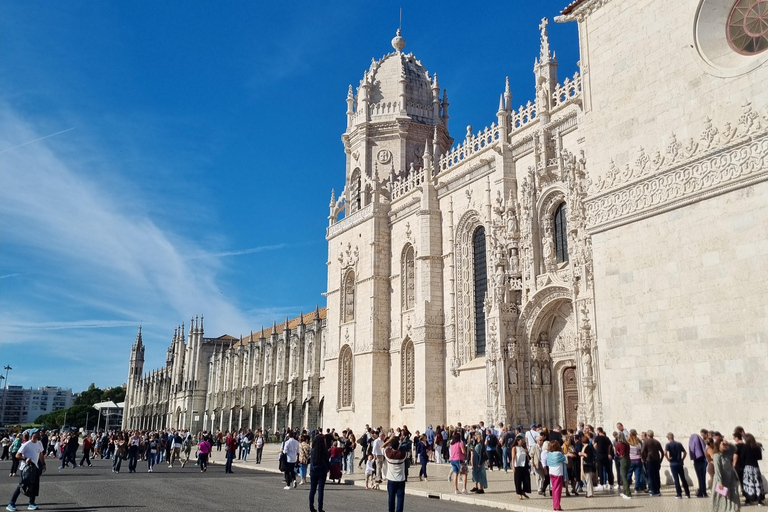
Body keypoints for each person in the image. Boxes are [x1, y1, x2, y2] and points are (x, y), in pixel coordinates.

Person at [6, 429, 45, 511]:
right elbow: (17, 455)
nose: (39, 434)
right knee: (22, 485)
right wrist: (25, 458)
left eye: (39, 432)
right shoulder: (26, 444)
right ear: (32, 434)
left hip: (34, 468)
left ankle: (31, 503)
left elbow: (41, 454)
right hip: (25, 468)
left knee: (34, 485)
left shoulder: (39, 443)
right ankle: (11, 504)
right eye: (37, 433)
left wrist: (43, 464)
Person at [712, 438, 741, 512]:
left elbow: (735, 449)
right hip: (721, 479)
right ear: (718, 445)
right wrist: (719, 482)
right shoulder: (717, 456)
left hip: (731, 478)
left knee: (735, 496)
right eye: (723, 444)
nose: (725, 445)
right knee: (720, 499)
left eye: (725, 444)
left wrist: (728, 443)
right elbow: (717, 470)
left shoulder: (728, 452)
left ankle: (736, 510)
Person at [382, 435, 407, 512]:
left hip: (391, 480)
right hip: (401, 480)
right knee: (400, 499)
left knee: (391, 499)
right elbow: (406, 450)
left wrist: (389, 440)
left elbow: (381, 447)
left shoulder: (388, 454)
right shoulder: (403, 454)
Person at [665, 432, 690, 499]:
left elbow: (665, 453)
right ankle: (687, 493)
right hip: (679, 463)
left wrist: (668, 459)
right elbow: (685, 452)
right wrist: (682, 459)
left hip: (673, 463)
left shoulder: (668, 445)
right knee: (683, 478)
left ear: (668, 438)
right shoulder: (679, 444)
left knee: (676, 479)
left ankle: (679, 494)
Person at [741, 433, 764, 506]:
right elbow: (759, 457)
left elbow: (742, 457)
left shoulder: (745, 447)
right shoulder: (757, 447)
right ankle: (759, 500)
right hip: (755, 466)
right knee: (757, 483)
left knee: (748, 484)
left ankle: (748, 499)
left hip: (747, 467)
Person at [309, 434, 330, 512]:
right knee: (320, 490)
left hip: (313, 471)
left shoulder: (313, 451)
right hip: (322, 471)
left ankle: (311, 507)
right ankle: (320, 508)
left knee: (312, 490)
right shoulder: (325, 452)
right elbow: (327, 461)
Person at [641, 429, 664, 497]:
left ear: (647, 435)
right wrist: (660, 460)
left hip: (649, 460)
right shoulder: (657, 442)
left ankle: (653, 490)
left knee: (650, 475)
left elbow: (642, 451)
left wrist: (643, 458)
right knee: (657, 475)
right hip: (657, 460)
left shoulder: (646, 441)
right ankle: (657, 490)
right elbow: (662, 452)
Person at [547, 440, 567, 511]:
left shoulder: (549, 454)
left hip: (551, 472)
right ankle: (557, 506)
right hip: (558, 473)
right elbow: (566, 460)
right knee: (558, 490)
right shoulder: (559, 454)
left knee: (554, 489)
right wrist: (564, 454)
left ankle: (555, 505)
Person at [689, 429, 709, 498]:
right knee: (703, 477)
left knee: (700, 478)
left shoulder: (703, 442)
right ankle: (703, 491)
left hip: (698, 462)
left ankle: (701, 491)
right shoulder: (702, 442)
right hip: (703, 461)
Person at [512, 435, 531, 500]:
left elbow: (528, 458)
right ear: (517, 441)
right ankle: (519, 493)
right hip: (518, 465)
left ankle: (524, 491)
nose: (522, 442)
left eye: (522, 441)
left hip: (524, 465)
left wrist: (527, 453)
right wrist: (513, 466)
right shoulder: (515, 448)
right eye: (521, 441)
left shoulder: (523, 448)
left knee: (526, 479)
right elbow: (513, 458)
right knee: (518, 480)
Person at [615, 432, 631, 499]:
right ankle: (626, 491)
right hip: (628, 459)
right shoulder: (627, 444)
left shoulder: (619, 444)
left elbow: (616, 452)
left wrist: (619, 454)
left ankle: (627, 493)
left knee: (623, 477)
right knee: (626, 476)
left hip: (623, 460)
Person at [579, 433, 596, 498]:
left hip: (587, 465)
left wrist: (582, 454)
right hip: (587, 465)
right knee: (588, 480)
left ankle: (590, 493)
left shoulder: (587, 447)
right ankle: (590, 492)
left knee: (588, 480)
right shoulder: (587, 446)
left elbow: (588, 455)